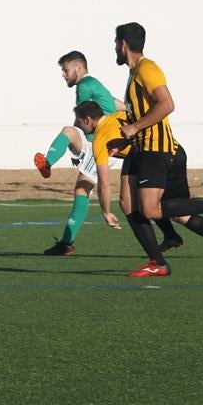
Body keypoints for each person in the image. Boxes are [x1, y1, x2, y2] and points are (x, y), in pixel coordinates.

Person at [113, 22, 203, 277]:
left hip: (156, 149)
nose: (114, 47)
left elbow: (167, 104)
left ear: (123, 44)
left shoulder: (148, 68)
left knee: (151, 209)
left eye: (116, 42)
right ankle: (157, 262)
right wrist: (126, 140)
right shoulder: (134, 72)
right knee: (127, 203)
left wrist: (134, 127)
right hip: (138, 149)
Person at [74, 101, 203, 258]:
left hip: (165, 157)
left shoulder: (99, 140)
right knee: (142, 205)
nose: (77, 125)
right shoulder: (118, 116)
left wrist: (106, 212)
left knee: (174, 213)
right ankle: (178, 237)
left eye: (78, 122)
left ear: (88, 120)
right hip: (153, 156)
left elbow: (104, 183)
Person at [34, 50, 127, 254]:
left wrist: (77, 148)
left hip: (100, 145)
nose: (63, 75)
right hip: (97, 142)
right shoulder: (93, 84)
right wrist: (129, 110)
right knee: (80, 189)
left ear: (78, 68)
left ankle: (67, 243)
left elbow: (82, 120)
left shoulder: (84, 86)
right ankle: (67, 243)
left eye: (66, 70)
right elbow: (112, 102)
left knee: (69, 134)